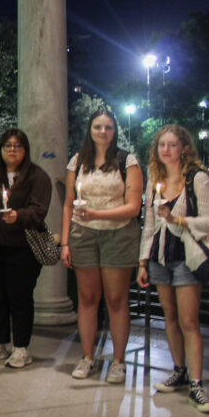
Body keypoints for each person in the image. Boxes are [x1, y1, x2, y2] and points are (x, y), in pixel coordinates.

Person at [137, 125, 209, 413]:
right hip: (160, 257)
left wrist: (177, 219)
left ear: (185, 148)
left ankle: (197, 384)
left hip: (187, 257)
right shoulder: (155, 179)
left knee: (188, 321)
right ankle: (179, 370)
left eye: (172, 145)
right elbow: (149, 224)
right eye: (162, 145)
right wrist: (143, 261)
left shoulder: (198, 178)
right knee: (169, 317)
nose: (166, 150)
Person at [61, 109, 142, 384]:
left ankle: (118, 361)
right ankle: (87, 357)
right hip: (83, 234)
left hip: (118, 234)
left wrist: (98, 215)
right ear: (90, 129)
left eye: (108, 127)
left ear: (114, 130)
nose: (103, 131)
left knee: (116, 300)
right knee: (87, 298)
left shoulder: (126, 160)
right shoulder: (78, 160)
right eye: (98, 126)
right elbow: (68, 203)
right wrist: (64, 242)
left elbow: (133, 207)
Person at [0, 128, 51, 369]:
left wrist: (19, 215)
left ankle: (21, 347)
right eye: (7, 145)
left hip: (22, 248)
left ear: (25, 150)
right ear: (1, 150)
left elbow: (39, 211)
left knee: (20, 298)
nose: (12, 150)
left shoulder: (37, 177)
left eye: (17, 145)